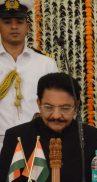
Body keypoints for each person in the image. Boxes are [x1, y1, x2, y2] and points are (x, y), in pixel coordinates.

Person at [0, 72, 97, 182]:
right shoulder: (17, 136)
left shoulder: (92, 136)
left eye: (65, 108)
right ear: (38, 103)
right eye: (48, 107)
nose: (56, 115)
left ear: (76, 106)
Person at [0, 0, 59, 154]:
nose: (14, 26)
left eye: (19, 21)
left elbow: (56, 105)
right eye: (7, 22)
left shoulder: (45, 64)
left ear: (27, 26)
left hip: (36, 145)